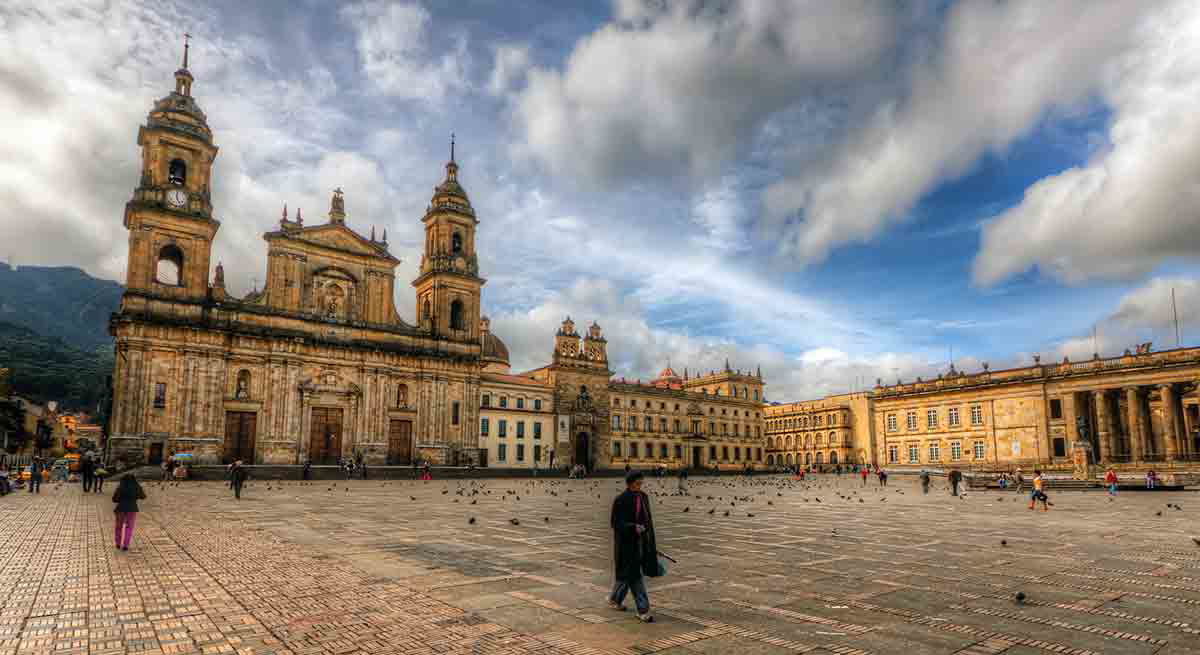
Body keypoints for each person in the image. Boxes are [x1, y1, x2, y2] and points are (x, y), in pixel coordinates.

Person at [607, 471, 659, 623]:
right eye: (637, 483)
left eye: (641, 483)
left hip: (641, 542)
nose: (640, 486)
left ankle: (615, 599)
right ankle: (643, 610)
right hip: (626, 544)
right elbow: (615, 523)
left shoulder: (643, 497)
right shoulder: (620, 500)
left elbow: (648, 520)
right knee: (635, 576)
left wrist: (649, 541)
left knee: (626, 574)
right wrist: (632, 527)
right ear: (629, 484)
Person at [111, 473, 146, 551]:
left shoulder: (120, 487)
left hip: (120, 508)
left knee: (118, 527)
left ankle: (118, 543)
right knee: (129, 527)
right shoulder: (136, 486)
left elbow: (114, 499)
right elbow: (143, 496)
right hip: (132, 509)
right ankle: (126, 545)